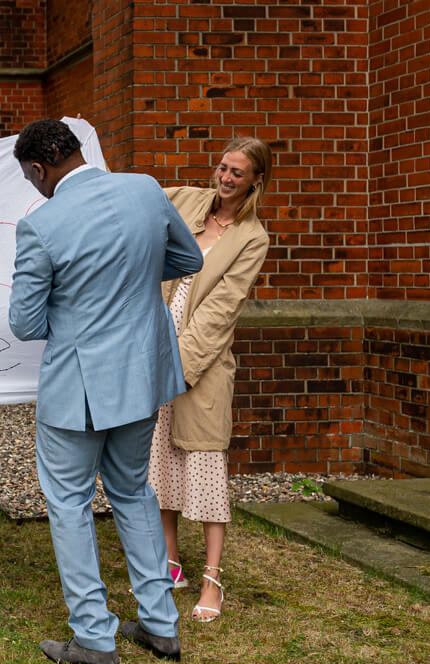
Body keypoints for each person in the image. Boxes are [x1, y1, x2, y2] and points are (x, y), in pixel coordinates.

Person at [8, 118, 203, 664]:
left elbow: (24, 323)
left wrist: (74, 302)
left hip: (79, 386)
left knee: (69, 503)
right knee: (132, 491)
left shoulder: (41, 225)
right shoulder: (145, 188)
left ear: (39, 168)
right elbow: (189, 259)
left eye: (30, 178)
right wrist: (135, 278)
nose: (33, 187)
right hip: (143, 377)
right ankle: (161, 625)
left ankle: (95, 636)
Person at [150, 138, 272, 623]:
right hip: (155, 347)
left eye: (237, 173)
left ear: (255, 181)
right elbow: (141, 198)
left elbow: (221, 312)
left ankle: (212, 580)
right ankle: (171, 564)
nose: (224, 178)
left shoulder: (252, 237)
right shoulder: (188, 201)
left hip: (199, 364)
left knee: (204, 468)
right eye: (222, 168)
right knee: (159, 465)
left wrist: (176, 368)